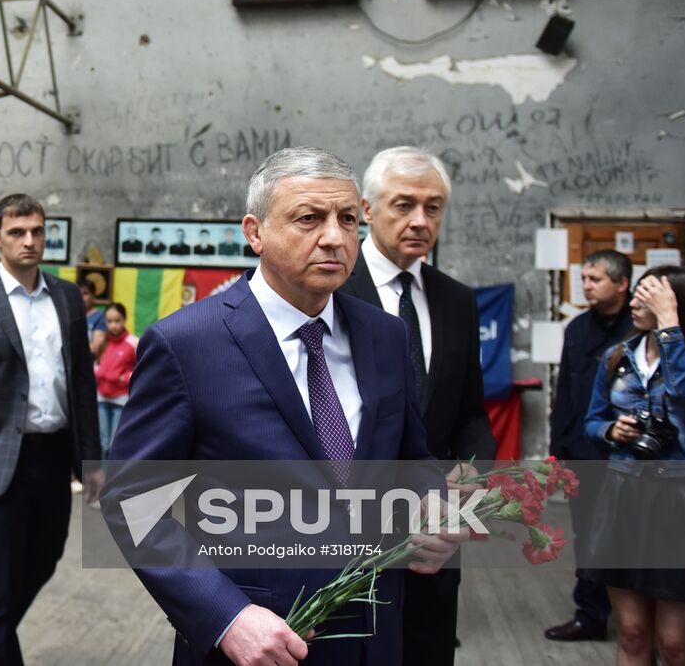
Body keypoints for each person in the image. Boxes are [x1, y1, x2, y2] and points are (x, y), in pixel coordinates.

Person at [109, 147, 463, 666]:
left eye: (347, 219)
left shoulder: (385, 336)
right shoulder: (188, 343)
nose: (335, 237)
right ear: (254, 232)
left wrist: (434, 509)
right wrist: (226, 616)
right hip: (257, 641)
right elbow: (133, 500)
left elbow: (412, 459)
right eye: (308, 219)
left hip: (374, 636)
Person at [338, 146, 495, 666]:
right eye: (403, 205)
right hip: (347, 532)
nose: (419, 220)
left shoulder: (457, 299)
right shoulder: (331, 288)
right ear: (366, 209)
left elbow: (470, 409)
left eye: (433, 207)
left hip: (434, 538)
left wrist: (471, 479)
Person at [0, 193, 102, 665]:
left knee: (47, 556)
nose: (29, 241)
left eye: (37, 231)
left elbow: (81, 384)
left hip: (54, 456)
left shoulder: (68, 296)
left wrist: (91, 459)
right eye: (17, 232)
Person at [583, 266, 685, 665]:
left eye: (645, 296)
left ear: (674, 305)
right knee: (632, 634)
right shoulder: (617, 357)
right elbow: (592, 421)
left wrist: (669, 326)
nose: (633, 302)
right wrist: (613, 430)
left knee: (674, 646)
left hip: (678, 500)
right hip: (622, 493)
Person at [545, 249, 633, 643]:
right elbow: (564, 393)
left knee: (632, 534)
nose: (585, 286)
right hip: (583, 451)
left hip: (629, 456)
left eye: (594, 279)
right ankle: (591, 614)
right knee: (588, 533)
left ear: (622, 284)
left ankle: (639, 615)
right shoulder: (577, 328)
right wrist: (558, 450)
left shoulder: (639, 328)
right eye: (584, 279)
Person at [93, 302, 136, 453]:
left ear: (124, 319)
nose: (113, 325)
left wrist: (124, 377)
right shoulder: (103, 341)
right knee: (103, 443)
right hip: (102, 399)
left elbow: (142, 369)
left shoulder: (133, 342)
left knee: (114, 444)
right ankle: (103, 476)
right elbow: (97, 363)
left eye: (117, 321)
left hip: (120, 401)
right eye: (109, 321)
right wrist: (98, 371)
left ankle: (114, 476)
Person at [80, 278, 108, 360]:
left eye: (85, 293)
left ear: (93, 296)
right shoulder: (70, 314)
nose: (81, 297)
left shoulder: (100, 317)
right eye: (78, 293)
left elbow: (95, 348)